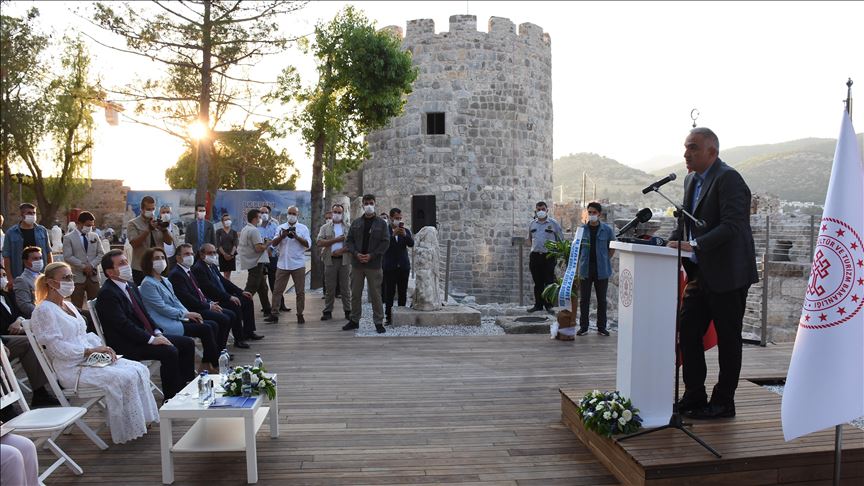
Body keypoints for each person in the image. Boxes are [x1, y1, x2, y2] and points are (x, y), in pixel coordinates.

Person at [669, 127, 759, 420]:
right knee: (688, 332)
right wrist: (666, 242)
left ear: (712, 151)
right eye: (686, 147)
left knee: (728, 339)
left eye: (693, 147)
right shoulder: (690, 179)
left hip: (729, 274)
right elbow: (687, 223)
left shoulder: (729, 178)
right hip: (699, 273)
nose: (686, 153)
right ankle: (694, 395)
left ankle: (723, 402)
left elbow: (733, 225)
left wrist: (695, 245)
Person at [30, 261, 160, 443]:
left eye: (71, 277)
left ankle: (140, 421)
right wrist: (90, 351)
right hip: (71, 369)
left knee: (138, 369)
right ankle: (127, 427)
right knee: (122, 377)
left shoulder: (69, 305)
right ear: (51, 283)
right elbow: (56, 348)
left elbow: (83, 335)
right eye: (66, 277)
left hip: (89, 360)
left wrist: (103, 349)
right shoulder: (44, 310)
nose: (70, 281)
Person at [95, 250, 196, 400]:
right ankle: (171, 398)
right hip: (127, 343)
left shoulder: (130, 285)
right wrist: (151, 339)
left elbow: (144, 314)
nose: (126, 265)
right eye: (121, 263)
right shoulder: (107, 294)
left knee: (187, 343)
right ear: (110, 272)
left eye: (126, 261)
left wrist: (157, 332)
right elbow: (123, 325)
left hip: (143, 335)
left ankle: (185, 387)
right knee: (170, 351)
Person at [138, 247, 221, 372]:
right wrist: (185, 314)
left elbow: (176, 301)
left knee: (212, 325)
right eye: (156, 258)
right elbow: (162, 308)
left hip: (177, 318)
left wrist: (189, 314)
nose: (160, 261)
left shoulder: (164, 280)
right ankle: (213, 365)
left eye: (162, 258)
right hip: (165, 323)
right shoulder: (148, 283)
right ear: (148, 262)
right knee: (206, 328)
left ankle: (207, 362)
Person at [1, 265, 58, 407]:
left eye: (4, 275)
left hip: (15, 333)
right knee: (29, 342)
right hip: (4, 338)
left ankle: (53, 382)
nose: (3, 279)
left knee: (40, 337)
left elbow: (18, 313)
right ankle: (41, 392)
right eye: (0, 276)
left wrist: (18, 321)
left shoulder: (6, 295)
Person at [168, 244, 240, 350]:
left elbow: (199, 291)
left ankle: (220, 348)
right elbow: (186, 298)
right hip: (192, 309)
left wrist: (209, 302)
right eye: (186, 254)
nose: (190, 256)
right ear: (178, 257)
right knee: (224, 318)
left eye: (191, 253)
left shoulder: (188, 270)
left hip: (201, 304)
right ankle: (218, 351)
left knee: (230, 314)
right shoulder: (176, 274)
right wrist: (208, 306)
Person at [193, 243, 263, 343]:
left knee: (247, 299)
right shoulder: (198, 268)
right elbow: (210, 289)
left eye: (214, 252)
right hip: (214, 299)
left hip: (222, 295)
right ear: (202, 254)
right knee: (234, 304)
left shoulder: (212, 265)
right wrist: (229, 297)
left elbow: (223, 281)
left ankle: (248, 332)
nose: (213, 255)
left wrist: (241, 292)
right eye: (210, 253)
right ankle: (239, 339)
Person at [344, 194, 390, 334]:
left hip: (374, 264)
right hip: (357, 264)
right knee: (355, 294)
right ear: (363, 205)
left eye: (371, 203)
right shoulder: (356, 223)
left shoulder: (382, 224)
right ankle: (354, 320)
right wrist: (356, 254)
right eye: (366, 203)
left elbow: (385, 242)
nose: (368, 205)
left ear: (375, 204)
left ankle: (378, 322)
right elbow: (349, 241)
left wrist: (371, 255)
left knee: (376, 295)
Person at [576, 202, 616, 337]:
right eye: (590, 212)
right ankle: (584, 327)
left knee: (602, 300)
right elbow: (577, 248)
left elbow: (612, 247)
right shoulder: (581, 230)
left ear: (599, 214)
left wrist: (605, 259)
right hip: (585, 268)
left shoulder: (607, 230)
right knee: (584, 300)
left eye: (594, 212)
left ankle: (601, 327)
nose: (591, 215)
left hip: (602, 269)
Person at [269, 206, 311, 324]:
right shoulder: (280, 228)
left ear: (298, 215)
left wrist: (296, 236)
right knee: (277, 290)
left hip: (298, 264)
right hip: (283, 264)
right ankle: (274, 314)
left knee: (300, 292)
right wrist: (282, 236)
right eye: (289, 213)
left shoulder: (303, 228)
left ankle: (300, 314)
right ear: (286, 214)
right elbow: (273, 244)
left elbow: (308, 244)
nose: (291, 216)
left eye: (293, 213)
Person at [127, 196, 175, 286]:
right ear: (142, 209)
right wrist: (148, 229)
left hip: (159, 267)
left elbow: (169, 242)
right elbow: (134, 243)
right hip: (140, 268)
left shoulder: (158, 221)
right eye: (148, 209)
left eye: (153, 209)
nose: (151, 211)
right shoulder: (133, 224)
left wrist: (164, 229)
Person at [239, 209, 276, 323]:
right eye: (259, 217)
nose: (261, 219)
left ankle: (267, 309)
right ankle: (239, 309)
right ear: (255, 219)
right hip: (256, 263)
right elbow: (258, 248)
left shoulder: (245, 229)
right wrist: (268, 243)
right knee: (251, 288)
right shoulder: (254, 230)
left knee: (263, 287)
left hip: (252, 262)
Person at [62, 211, 105, 309]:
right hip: (77, 277)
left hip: (93, 276)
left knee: (96, 305)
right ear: (79, 223)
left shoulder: (94, 236)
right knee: (76, 306)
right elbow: (68, 256)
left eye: (91, 225)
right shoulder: (68, 238)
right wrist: (83, 266)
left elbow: (101, 253)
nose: (90, 227)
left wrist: (92, 265)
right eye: (88, 225)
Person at [317, 204, 351, 321]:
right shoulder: (325, 227)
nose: (337, 214)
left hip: (344, 260)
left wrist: (341, 250)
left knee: (345, 288)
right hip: (330, 261)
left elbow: (352, 244)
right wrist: (336, 240)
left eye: (339, 212)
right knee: (329, 288)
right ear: (332, 213)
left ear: (343, 213)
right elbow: (319, 242)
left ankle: (348, 311)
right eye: (335, 212)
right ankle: (327, 311)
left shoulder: (348, 227)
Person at [527, 201, 563, 313]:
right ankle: (538, 305)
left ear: (547, 210)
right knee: (537, 282)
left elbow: (560, 239)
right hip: (535, 256)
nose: (541, 211)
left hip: (548, 256)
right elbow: (529, 239)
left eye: (543, 209)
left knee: (549, 281)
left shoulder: (554, 224)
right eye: (538, 209)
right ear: (536, 211)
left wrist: (556, 253)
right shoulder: (532, 224)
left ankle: (549, 305)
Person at [2, 203, 52, 280]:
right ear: (22, 214)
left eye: (34, 213)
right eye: (29, 213)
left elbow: (48, 252)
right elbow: (6, 256)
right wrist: (9, 277)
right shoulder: (11, 233)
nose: (32, 215)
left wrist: (50, 273)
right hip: (19, 274)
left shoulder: (42, 231)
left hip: (41, 275)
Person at [382, 208, 414, 325]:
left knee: (402, 292)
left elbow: (411, 244)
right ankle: (389, 317)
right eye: (396, 218)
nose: (398, 220)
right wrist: (392, 235)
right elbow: (383, 246)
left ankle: (401, 315)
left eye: (400, 218)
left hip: (403, 266)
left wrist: (405, 235)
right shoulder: (385, 231)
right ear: (391, 218)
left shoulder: (405, 230)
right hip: (390, 266)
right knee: (389, 293)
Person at [258, 205, 286, 312]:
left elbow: (277, 239)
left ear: (269, 213)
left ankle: (280, 304)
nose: (263, 214)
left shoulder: (274, 225)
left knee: (275, 282)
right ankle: (266, 306)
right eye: (261, 212)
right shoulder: (256, 226)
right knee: (261, 283)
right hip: (260, 257)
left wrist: (271, 248)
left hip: (272, 256)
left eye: (265, 212)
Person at [13, 247, 43, 319]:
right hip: (37, 318)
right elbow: (25, 305)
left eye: (40, 258)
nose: (39, 261)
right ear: (25, 261)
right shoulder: (21, 280)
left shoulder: (44, 276)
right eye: (35, 259)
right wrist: (44, 313)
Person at [215, 213, 238, 280]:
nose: (227, 221)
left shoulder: (234, 232)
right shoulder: (219, 232)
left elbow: (235, 244)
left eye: (229, 219)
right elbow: (218, 244)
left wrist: (231, 254)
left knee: (229, 273)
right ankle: (226, 285)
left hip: (231, 255)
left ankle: (228, 284)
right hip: (222, 255)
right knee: (225, 274)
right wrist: (224, 254)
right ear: (222, 222)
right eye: (225, 220)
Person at [158, 205, 180, 270]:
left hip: (173, 258)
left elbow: (177, 242)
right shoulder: (157, 227)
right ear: (160, 214)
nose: (166, 214)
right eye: (163, 212)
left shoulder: (175, 227)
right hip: (160, 258)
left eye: (167, 212)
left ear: (171, 213)